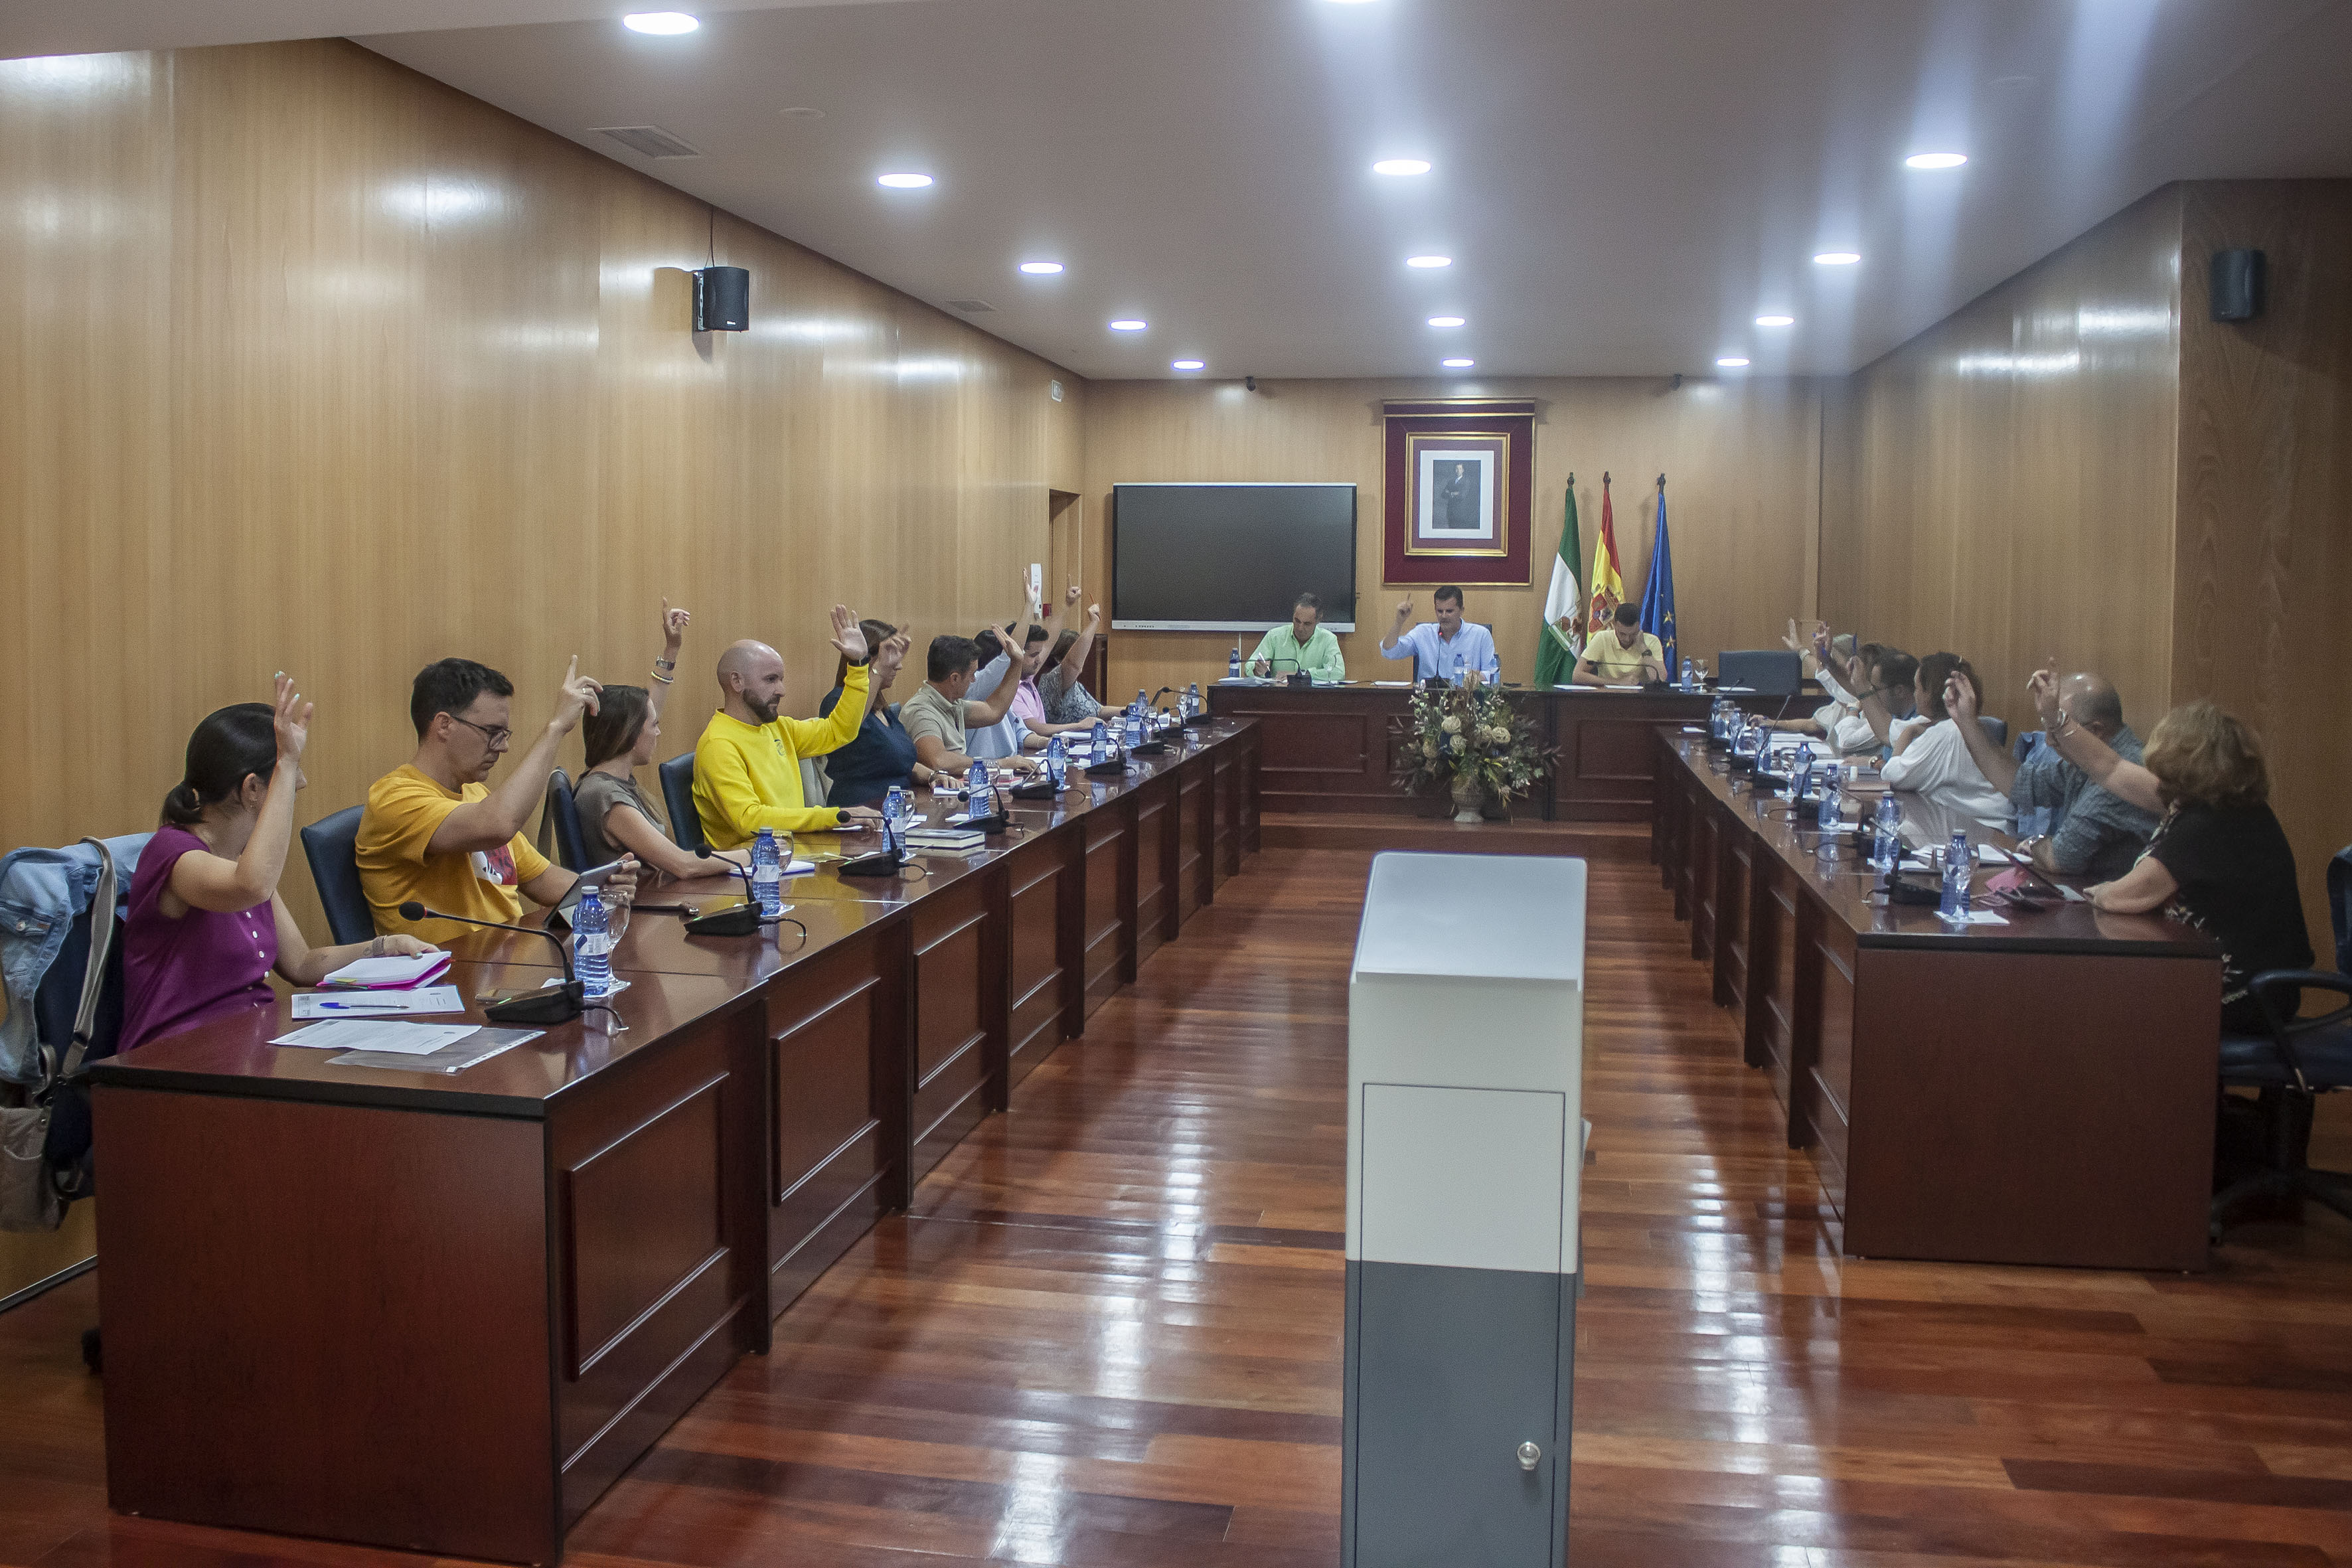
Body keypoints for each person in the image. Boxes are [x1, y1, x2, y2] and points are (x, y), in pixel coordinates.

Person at [122, 677, 439, 1051]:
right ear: (252, 789)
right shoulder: (174, 853)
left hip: (248, 1044)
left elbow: (302, 964)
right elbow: (249, 887)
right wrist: (286, 762)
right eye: (290, 773)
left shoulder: (243, 860)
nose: (301, 781)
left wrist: (383, 947)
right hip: (174, 1056)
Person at [2033, 689, 2310, 1036]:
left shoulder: (2207, 825)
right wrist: (2056, 719)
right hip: (2248, 984)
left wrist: (2101, 890)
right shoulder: (2228, 807)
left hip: (2243, 996)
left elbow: (2123, 897)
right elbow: (2110, 767)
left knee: (2088, 1006)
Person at [360, 657, 638, 942]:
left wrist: (604, 888)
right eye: (492, 732)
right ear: (444, 725)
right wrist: (556, 728)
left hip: (507, 955)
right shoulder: (393, 799)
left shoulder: (477, 795)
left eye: (504, 734)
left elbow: (541, 878)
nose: (503, 747)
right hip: (452, 965)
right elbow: (499, 825)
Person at [576, 602, 752, 880]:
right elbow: (684, 865)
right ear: (630, 735)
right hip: (644, 902)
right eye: (654, 726)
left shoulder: (609, 780)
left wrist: (672, 648)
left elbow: (649, 706)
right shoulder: (605, 796)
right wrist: (757, 852)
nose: (658, 732)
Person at [693, 607, 884, 848]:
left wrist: (857, 665)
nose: (782, 690)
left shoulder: (778, 727)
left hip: (796, 854)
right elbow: (750, 819)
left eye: (781, 680)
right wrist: (834, 817)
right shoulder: (719, 745)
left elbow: (840, 731)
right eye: (770, 680)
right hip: (754, 865)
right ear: (737, 682)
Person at [1943, 668, 2159, 880]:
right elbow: (2021, 784)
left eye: (2057, 730)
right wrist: (1967, 722)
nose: (2048, 741)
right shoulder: (2088, 760)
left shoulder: (2123, 775)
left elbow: (2061, 858)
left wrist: (2034, 844)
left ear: (2095, 731)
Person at [1859, 651, 2009, 830]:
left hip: (1985, 828)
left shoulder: (1943, 733)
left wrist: (1909, 732)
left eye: (1917, 689)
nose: (1915, 695)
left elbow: (1892, 775)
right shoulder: (1964, 726)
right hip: (1982, 823)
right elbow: (1891, 734)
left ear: (1931, 694)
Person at [817, 620, 927, 807]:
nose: (898, 666)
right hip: (860, 810)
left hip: (897, 808)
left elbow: (902, 762)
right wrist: (879, 670)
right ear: (868, 659)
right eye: (890, 655)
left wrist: (934, 776)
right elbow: (853, 721)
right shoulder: (837, 701)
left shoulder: (883, 708)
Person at [903, 633, 1043, 778]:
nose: (974, 680)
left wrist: (1017, 662)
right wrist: (1000, 764)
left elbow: (994, 711)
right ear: (955, 678)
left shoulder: (951, 703)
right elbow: (939, 761)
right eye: (972, 674)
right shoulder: (922, 712)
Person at [1380, 586, 1500, 684]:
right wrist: (1399, 622)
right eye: (1440, 611)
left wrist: (1474, 677)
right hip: (1429, 701)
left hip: (1467, 701)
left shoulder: (1481, 635)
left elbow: (1493, 674)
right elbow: (1389, 652)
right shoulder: (1423, 633)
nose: (1444, 616)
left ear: (1461, 610)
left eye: (1449, 611)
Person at [1247, 592, 1347, 683]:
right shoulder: (1275, 636)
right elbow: (1249, 666)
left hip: (1312, 695)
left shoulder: (1328, 640)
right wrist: (1257, 670)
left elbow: (1338, 673)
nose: (1300, 628)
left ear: (1318, 620)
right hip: (1279, 694)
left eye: (1307, 624)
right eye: (1297, 621)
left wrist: (1302, 674)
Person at [1039, 593, 1105, 726]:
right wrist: (1094, 622)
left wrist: (1128, 710)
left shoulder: (1075, 685)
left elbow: (1099, 710)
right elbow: (1074, 665)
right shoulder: (1051, 681)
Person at [1573, 603, 1667, 688]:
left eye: (1633, 634)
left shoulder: (1652, 641)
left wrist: (1643, 648)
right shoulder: (1602, 638)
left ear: (1639, 625)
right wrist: (1618, 682)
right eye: (1622, 634)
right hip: (1608, 696)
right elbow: (1577, 676)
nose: (1627, 639)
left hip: (1641, 697)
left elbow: (1661, 679)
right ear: (1614, 624)